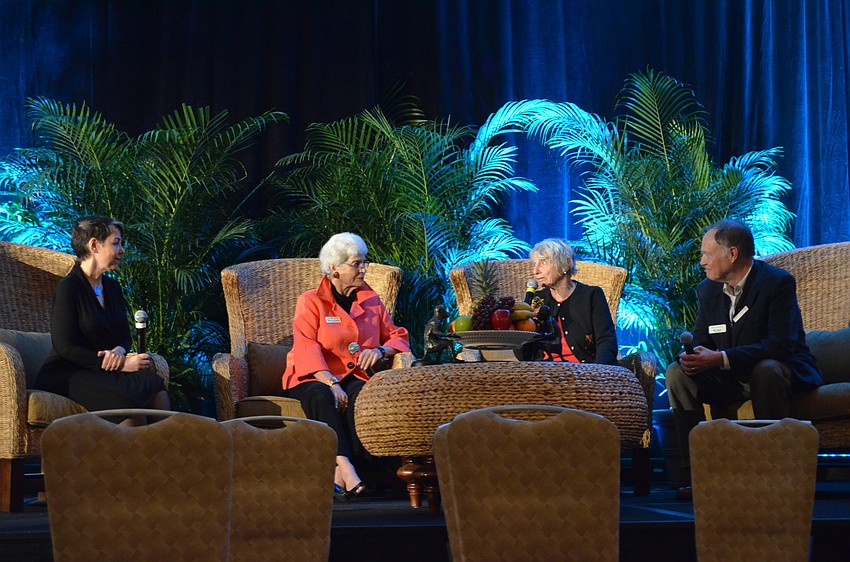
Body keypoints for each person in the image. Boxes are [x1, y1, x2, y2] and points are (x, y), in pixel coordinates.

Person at [665, 219, 822, 498]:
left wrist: (721, 357)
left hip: (778, 373)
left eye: (706, 254)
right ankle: (693, 476)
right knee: (677, 373)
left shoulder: (776, 283)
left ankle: (774, 473)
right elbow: (702, 338)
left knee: (767, 369)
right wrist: (694, 355)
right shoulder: (708, 290)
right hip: (730, 377)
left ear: (732, 254)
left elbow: (781, 345)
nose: (702, 262)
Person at [282, 232, 411, 499]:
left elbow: (398, 336)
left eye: (364, 262)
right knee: (321, 396)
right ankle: (346, 467)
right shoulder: (310, 301)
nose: (363, 268)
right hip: (311, 375)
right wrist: (331, 382)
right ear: (334, 269)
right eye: (356, 263)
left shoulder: (370, 300)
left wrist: (379, 350)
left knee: (361, 397)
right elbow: (305, 345)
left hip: (354, 375)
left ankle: (340, 474)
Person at [35, 216, 170, 426]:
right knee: (128, 401)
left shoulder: (113, 289)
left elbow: (125, 337)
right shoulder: (69, 287)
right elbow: (64, 347)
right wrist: (120, 365)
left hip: (101, 371)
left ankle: (168, 454)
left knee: (153, 383)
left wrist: (119, 351)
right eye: (116, 243)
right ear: (94, 245)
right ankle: (131, 458)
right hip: (68, 373)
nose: (122, 250)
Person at [526, 238, 619, 365]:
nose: (535, 271)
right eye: (534, 264)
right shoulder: (537, 299)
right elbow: (526, 348)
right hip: (544, 374)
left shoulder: (591, 295)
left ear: (566, 263)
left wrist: (598, 374)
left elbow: (607, 341)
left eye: (543, 263)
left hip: (585, 373)